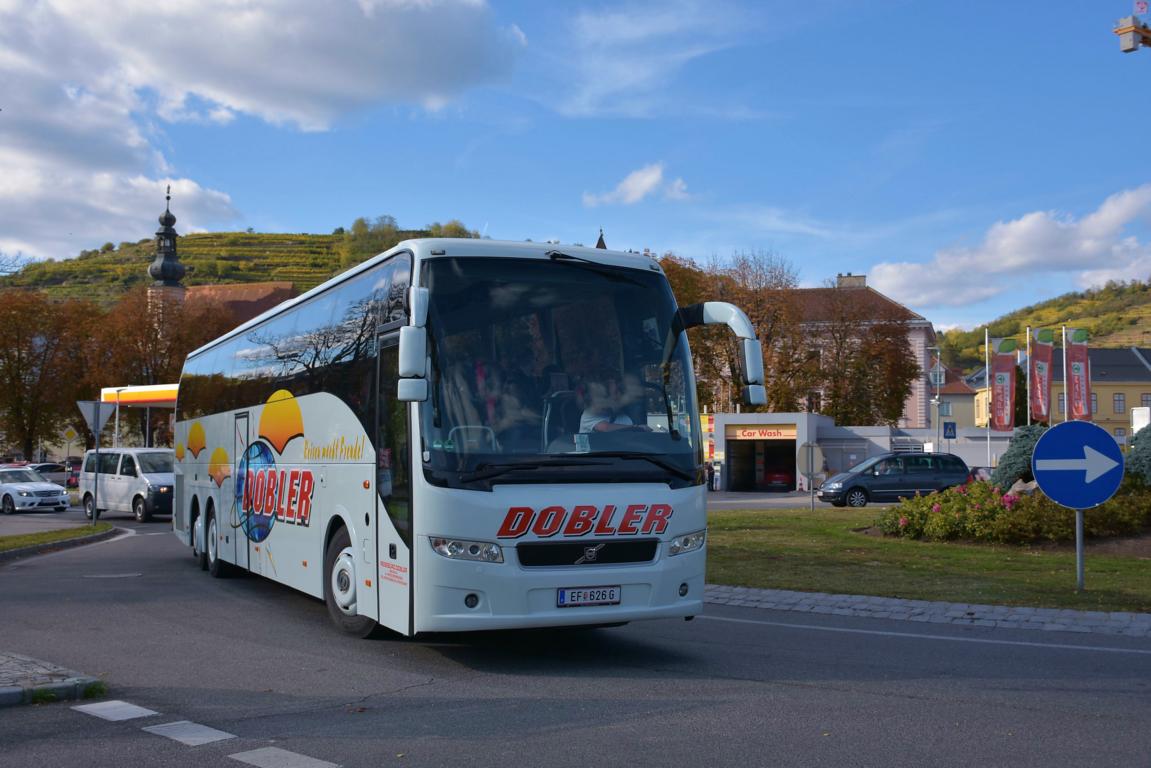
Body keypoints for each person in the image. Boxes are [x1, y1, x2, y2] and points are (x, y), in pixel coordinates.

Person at [579, 371, 651, 433]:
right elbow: (605, 428)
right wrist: (636, 428)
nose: (618, 396)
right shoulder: (588, 414)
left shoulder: (625, 419)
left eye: (619, 392)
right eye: (615, 393)